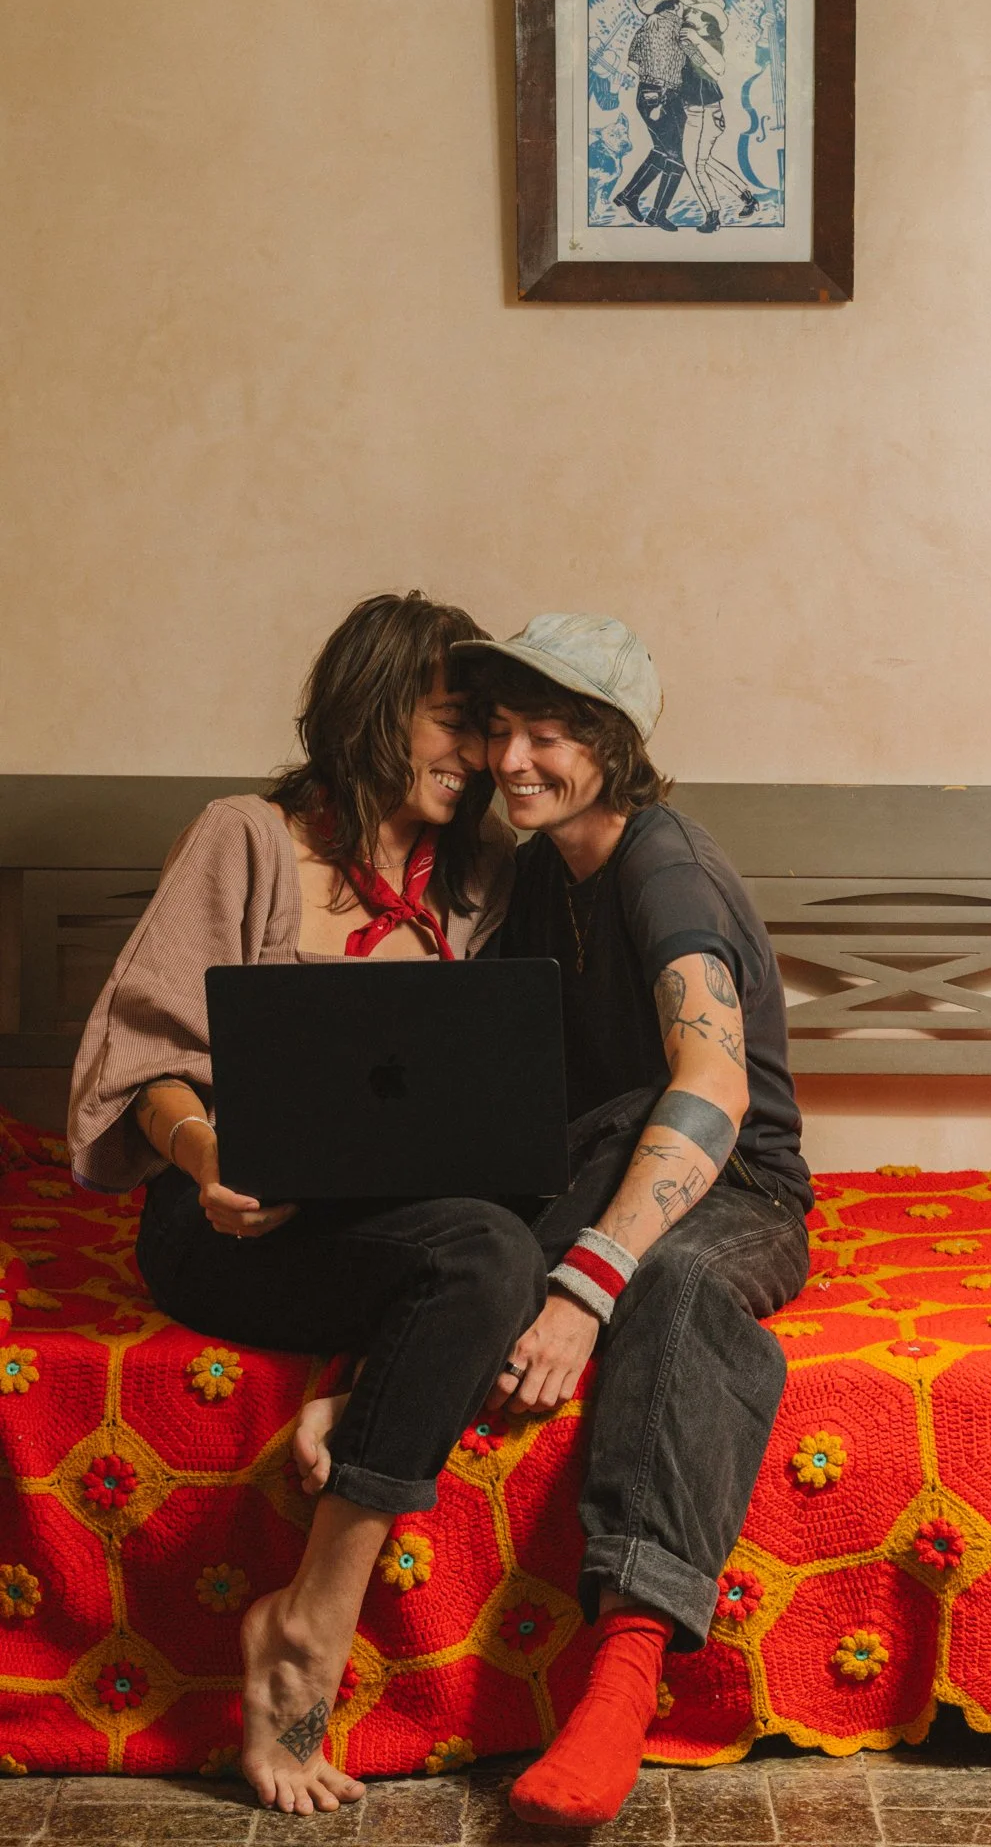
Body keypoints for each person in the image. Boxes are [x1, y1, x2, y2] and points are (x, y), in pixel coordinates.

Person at [67, 592, 548, 1817]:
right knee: (474, 1254)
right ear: (374, 707)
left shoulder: (484, 878)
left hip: (401, 1230)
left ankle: (307, 1618)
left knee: (494, 1247)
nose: (484, 756)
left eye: (490, 730)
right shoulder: (247, 838)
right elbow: (139, 1054)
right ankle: (303, 1617)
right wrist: (207, 1152)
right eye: (458, 721)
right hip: (231, 1220)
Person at [453, 613, 811, 1829]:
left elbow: (710, 1087)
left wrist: (587, 1279)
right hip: (600, 1152)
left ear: (609, 743)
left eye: (548, 732)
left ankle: (623, 1675)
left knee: (677, 1288)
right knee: (465, 1235)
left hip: (734, 1185)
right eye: (501, 729)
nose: (513, 758)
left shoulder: (664, 867)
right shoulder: (545, 869)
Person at [612, 0, 696, 230]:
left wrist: (653, 78)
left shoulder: (645, 27)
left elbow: (632, 65)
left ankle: (629, 195)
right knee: (680, 156)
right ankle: (657, 213)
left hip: (646, 94)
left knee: (662, 150)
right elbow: (693, 65)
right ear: (678, 5)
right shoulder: (681, 28)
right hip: (668, 96)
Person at [679, 0, 760, 233]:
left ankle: (712, 216)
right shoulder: (694, 40)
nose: (687, 13)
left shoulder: (711, 40)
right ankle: (746, 196)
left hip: (702, 112)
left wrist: (694, 40)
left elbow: (718, 69)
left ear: (705, 18)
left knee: (694, 166)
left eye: (692, 11)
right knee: (703, 162)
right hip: (701, 111)